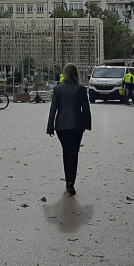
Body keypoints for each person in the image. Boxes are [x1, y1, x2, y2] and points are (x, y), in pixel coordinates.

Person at [46, 63, 92, 196]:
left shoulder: (58, 89)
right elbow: (86, 109)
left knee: (66, 152)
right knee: (74, 152)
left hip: (61, 125)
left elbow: (53, 108)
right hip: (77, 125)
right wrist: (88, 124)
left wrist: (50, 127)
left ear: (65, 74)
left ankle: (68, 182)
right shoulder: (81, 89)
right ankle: (71, 181)